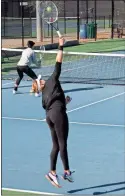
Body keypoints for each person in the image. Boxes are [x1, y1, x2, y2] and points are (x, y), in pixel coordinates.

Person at [31, 38, 74, 188]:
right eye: (40, 80)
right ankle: (67, 171)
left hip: (50, 117)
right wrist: (60, 45)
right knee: (62, 144)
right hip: (57, 114)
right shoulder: (51, 81)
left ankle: (52, 172)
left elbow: (52, 105)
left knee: (55, 145)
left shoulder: (44, 96)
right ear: (41, 84)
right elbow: (58, 63)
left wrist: (64, 102)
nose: (42, 80)